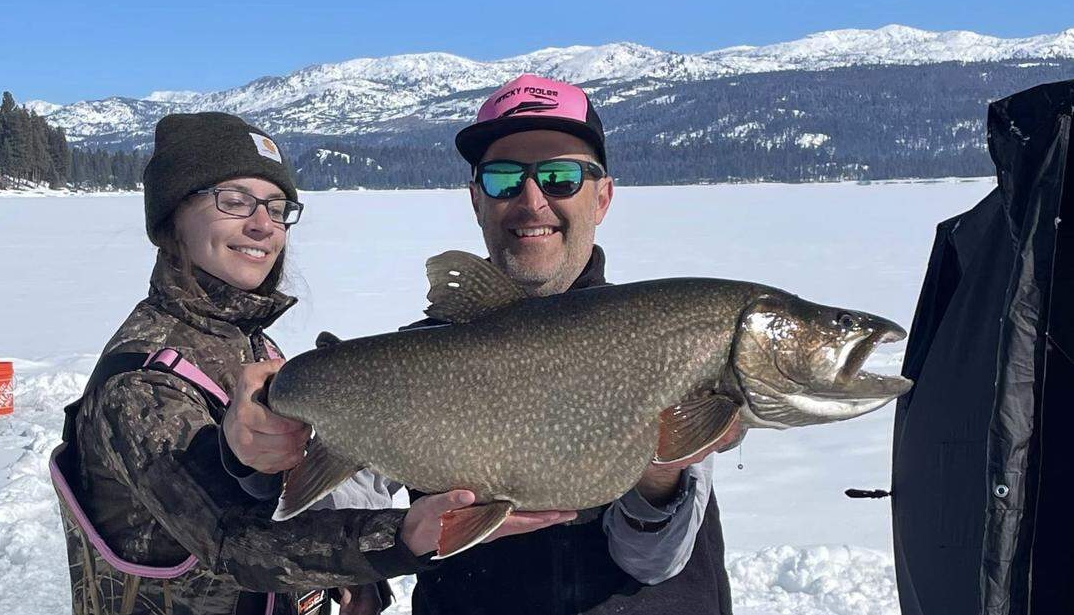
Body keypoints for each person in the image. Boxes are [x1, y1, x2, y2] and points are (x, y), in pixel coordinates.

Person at [229, 75, 737, 614]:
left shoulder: (658, 336)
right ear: (477, 199)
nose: (532, 200)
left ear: (603, 196)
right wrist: (260, 456)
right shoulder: (409, 364)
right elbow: (343, 508)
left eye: (561, 177)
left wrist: (661, 478)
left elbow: (653, 561)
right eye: (502, 179)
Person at [54, 112, 573, 615]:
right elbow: (233, 542)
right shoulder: (143, 383)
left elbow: (289, 498)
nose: (262, 226)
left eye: (277, 208)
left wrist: (352, 582)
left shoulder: (251, 346)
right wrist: (401, 538)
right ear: (172, 218)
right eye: (234, 202)